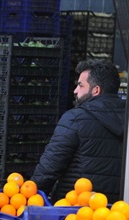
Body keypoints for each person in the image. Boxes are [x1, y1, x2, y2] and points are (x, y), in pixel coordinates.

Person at [32, 59, 126, 203]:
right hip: (117, 212)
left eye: (80, 85)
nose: (75, 90)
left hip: (74, 208)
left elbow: (49, 168)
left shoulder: (75, 118)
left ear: (96, 90)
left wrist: (30, 197)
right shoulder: (126, 119)